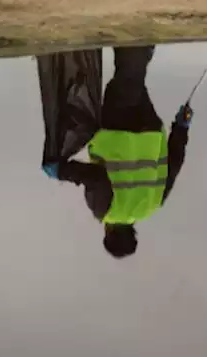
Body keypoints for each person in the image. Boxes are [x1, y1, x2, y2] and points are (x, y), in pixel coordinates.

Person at [42, 46, 192, 260]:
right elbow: (95, 178)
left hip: (149, 128)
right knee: (128, 77)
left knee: (132, 82)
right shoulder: (107, 212)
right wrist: (61, 171)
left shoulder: (152, 206)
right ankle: (137, 37)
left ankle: (142, 46)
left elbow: (174, 163)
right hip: (117, 129)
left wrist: (181, 128)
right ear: (108, 232)